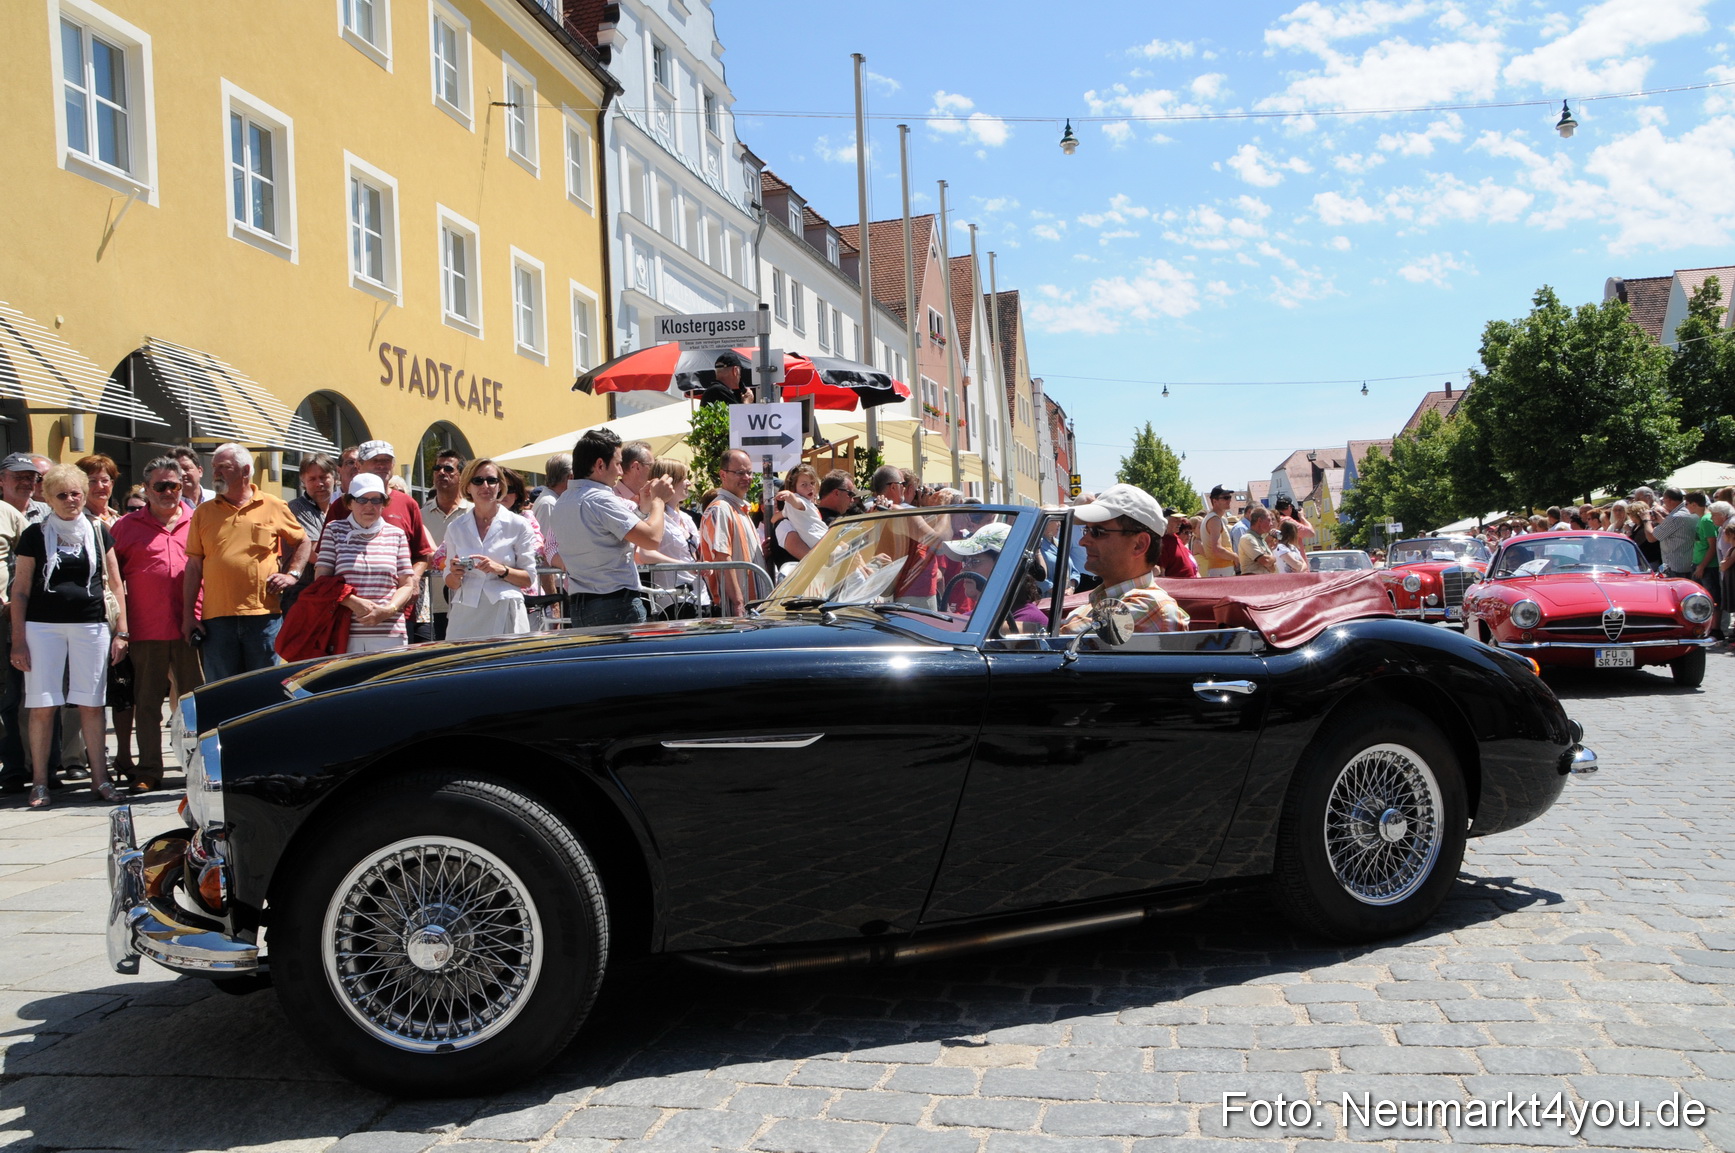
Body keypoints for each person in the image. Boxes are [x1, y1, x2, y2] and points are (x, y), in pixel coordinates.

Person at [8, 464, 128, 809]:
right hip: (42, 627)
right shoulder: (34, 534)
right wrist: (18, 640)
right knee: (43, 705)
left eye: (76, 492)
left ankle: (100, 780)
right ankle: (41, 783)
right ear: (49, 498)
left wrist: (122, 631)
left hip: (90, 625)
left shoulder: (98, 530)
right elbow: (21, 590)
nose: (71, 500)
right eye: (62, 495)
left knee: (92, 703)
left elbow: (116, 584)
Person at [110, 457, 203, 790]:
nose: (168, 492)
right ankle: (149, 769)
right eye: (160, 486)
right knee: (147, 703)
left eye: (174, 486)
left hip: (192, 628)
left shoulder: (199, 520)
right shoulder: (125, 526)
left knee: (195, 704)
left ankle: (198, 768)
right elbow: (112, 576)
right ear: (146, 489)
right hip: (146, 628)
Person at [183, 443, 310, 681]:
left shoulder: (273, 505)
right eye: (214, 467)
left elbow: (303, 541)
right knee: (222, 691)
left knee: (266, 688)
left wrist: (292, 574)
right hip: (217, 619)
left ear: (245, 471)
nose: (216, 472)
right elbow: (193, 566)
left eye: (224, 467)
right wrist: (188, 614)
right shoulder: (203, 512)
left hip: (263, 616)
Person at [547, 428, 676, 627]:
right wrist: (658, 501)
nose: (620, 471)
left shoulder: (563, 501)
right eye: (617, 463)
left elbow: (614, 534)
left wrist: (643, 508)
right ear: (600, 465)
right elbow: (651, 539)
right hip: (615, 604)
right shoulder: (600, 499)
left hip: (581, 606)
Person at [323, 441, 433, 640]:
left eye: (387, 461)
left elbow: (421, 554)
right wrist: (352, 601)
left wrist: (411, 581)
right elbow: (324, 569)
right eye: (376, 461)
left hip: (396, 615)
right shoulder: (339, 509)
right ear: (359, 465)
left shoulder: (408, 504)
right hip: (345, 621)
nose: (382, 465)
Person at [1058, 484, 1189, 635]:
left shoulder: (1151, 607)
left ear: (1139, 545)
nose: (1083, 541)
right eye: (1086, 529)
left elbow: (1062, 639)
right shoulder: (1099, 602)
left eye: (1097, 531)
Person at [315, 475, 416, 653]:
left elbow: (407, 584)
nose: (369, 506)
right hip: (344, 633)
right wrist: (352, 602)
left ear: (383, 503)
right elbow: (321, 580)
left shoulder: (397, 534)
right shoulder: (334, 529)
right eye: (362, 499)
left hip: (390, 634)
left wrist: (387, 610)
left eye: (376, 500)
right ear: (349, 503)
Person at [440, 459, 538, 640]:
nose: (485, 486)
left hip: (505, 609)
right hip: (466, 613)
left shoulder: (518, 525)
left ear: (500, 486)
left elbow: (529, 578)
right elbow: (450, 581)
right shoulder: (456, 527)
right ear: (468, 487)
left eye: (492, 480)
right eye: (478, 481)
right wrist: (455, 573)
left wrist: (500, 569)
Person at [0, 456, 45, 795]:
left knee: (28, 696)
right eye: (19, 477)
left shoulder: (39, 515)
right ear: (2, 479)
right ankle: (14, 768)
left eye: (32, 477)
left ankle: (39, 766)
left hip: (18, 618)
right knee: (7, 698)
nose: (27, 482)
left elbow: (29, 565)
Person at [701, 449, 768, 615]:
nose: (747, 478)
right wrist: (738, 604)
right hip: (736, 611)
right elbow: (722, 559)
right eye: (739, 473)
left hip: (752, 606)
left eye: (749, 472)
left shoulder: (738, 508)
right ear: (723, 475)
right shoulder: (721, 509)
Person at [638, 459, 704, 617]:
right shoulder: (655, 517)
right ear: (670, 481)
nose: (689, 482)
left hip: (700, 595)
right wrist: (683, 565)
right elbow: (645, 554)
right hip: (673, 599)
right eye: (684, 477)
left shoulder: (687, 518)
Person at [419, 448, 470, 640]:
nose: (441, 472)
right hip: (431, 608)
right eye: (437, 468)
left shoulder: (474, 514)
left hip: (467, 601)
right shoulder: (420, 515)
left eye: (448, 469)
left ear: (462, 476)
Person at [282, 454, 335, 621]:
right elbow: (314, 553)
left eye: (323, 477)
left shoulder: (337, 509)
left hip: (328, 591)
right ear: (303, 481)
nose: (319, 484)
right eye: (312, 479)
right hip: (302, 593)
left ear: (334, 477)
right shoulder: (297, 508)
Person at [772, 464, 827, 568]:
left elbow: (779, 516)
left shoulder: (808, 505)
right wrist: (789, 495)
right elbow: (797, 502)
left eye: (812, 483)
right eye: (804, 484)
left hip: (824, 542)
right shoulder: (799, 501)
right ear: (793, 488)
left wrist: (772, 520)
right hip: (821, 547)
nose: (810, 487)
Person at [1645, 488, 1697, 578]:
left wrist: (1646, 519)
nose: (1664, 502)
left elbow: (1651, 538)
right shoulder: (1689, 512)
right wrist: (1663, 521)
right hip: (1689, 564)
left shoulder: (1676, 517)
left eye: (1664, 499)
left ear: (1669, 499)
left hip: (1675, 567)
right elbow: (1677, 530)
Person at [1201, 485, 1238, 577]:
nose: (1229, 500)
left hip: (1220, 568)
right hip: (1221, 569)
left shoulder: (1214, 518)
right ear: (1214, 501)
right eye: (1225, 497)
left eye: (1229, 497)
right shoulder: (1214, 519)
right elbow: (1217, 549)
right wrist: (1236, 557)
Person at [76, 455, 122, 525]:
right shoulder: (76, 520)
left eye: (104, 480)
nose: (100, 486)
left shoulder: (120, 520)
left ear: (112, 484)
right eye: (92, 481)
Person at [1237, 506, 1278, 574]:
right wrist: (1274, 558)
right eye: (1269, 520)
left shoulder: (1261, 540)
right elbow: (1266, 561)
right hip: (1253, 582)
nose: (1271, 524)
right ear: (1260, 521)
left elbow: (1272, 568)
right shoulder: (1247, 538)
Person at [1158, 512, 1198, 578]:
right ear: (1166, 521)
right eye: (1176, 519)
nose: (1179, 522)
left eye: (1180, 519)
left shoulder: (1177, 539)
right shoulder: (1163, 543)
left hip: (1190, 583)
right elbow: (1162, 572)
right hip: (1178, 585)